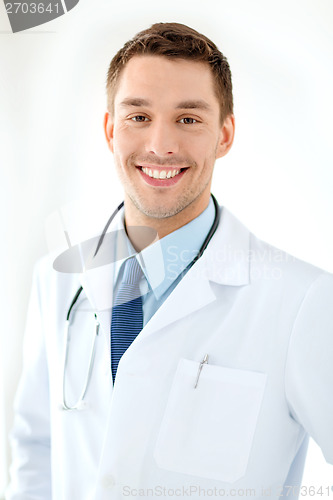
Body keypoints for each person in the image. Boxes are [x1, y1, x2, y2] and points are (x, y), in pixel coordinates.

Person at [6, 22, 333, 500]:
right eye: (138, 116)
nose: (160, 145)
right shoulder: (57, 279)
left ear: (225, 135)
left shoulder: (303, 302)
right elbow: (36, 452)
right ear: (109, 129)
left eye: (188, 119)